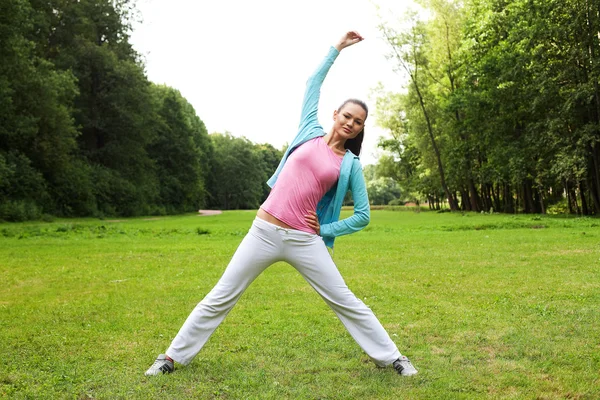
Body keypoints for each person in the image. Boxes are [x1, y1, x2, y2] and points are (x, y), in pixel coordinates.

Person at [145, 31, 417, 377]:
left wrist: (328, 228)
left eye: (358, 121)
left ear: (361, 128)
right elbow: (312, 83)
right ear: (335, 114)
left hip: (305, 240)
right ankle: (170, 359)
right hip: (264, 231)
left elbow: (363, 215)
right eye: (346, 116)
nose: (350, 123)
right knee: (221, 295)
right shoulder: (309, 131)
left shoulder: (349, 164)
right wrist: (337, 48)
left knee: (345, 300)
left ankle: (393, 358)